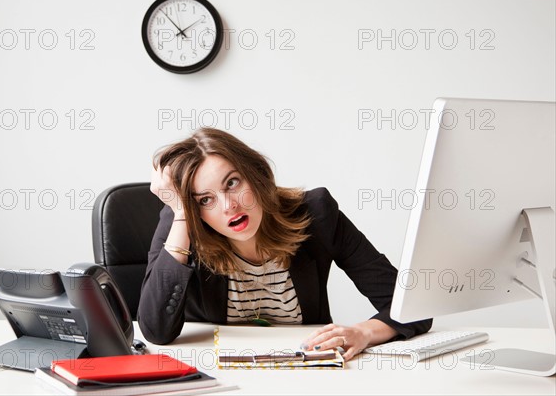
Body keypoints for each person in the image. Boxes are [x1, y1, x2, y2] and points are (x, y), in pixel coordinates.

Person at [137, 128, 432, 361]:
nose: (229, 206)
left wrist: (364, 332)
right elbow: (156, 331)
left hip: (307, 374)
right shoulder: (182, 224)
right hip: (220, 379)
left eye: (232, 183)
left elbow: (412, 307)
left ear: (256, 175)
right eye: (205, 199)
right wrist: (181, 215)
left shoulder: (317, 213)